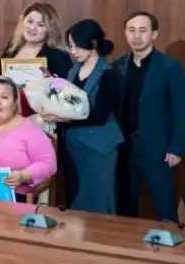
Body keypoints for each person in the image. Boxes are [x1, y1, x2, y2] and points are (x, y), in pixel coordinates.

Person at [112, 11, 185, 222]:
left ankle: (170, 241)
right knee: (124, 207)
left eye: (142, 30)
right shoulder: (118, 66)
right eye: (131, 30)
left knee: (165, 207)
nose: (136, 36)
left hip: (158, 149)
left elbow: (182, 111)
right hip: (124, 147)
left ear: (154, 34)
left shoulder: (169, 67)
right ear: (125, 33)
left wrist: (176, 147)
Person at [43, 20, 124, 214]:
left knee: (98, 199)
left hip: (99, 146)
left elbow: (100, 115)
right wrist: (52, 85)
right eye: (70, 46)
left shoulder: (109, 73)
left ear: (93, 43)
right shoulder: (74, 70)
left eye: (76, 46)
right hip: (74, 145)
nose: (73, 51)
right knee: (76, 201)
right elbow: (68, 101)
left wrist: (63, 118)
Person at [1, 2, 73, 79]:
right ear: (22, 21)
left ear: (50, 29)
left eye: (40, 25)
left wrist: (51, 80)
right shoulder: (13, 46)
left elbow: (66, 84)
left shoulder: (58, 55)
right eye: (30, 21)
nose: (32, 28)